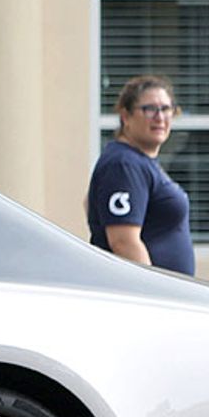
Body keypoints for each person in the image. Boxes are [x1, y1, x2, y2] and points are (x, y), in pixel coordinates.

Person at [86, 75, 196, 275]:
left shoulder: (139, 162)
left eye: (166, 109)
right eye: (149, 109)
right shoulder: (124, 164)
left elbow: (88, 202)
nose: (160, 117)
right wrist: (153, 292)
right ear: (125, 116)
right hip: (147, 298)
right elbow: (123, 241)